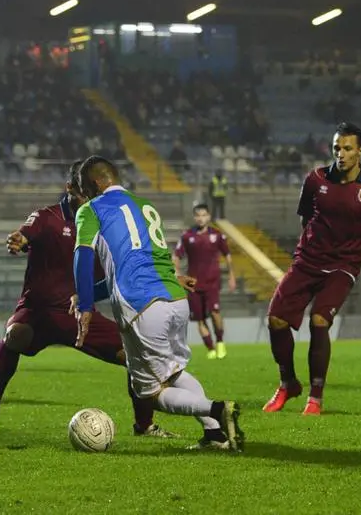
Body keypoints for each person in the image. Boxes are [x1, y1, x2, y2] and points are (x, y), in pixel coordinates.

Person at [0, 162, 177, 439]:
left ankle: (144, 425)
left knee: (134, 357)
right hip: (39, 313)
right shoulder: (47, 217)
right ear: (69, 188)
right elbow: (24, 235)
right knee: (15, 335)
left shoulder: (103, 223)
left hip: (81, 315)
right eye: (83, 193)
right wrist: (19, 240)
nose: (89, 199)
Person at [72, 156, 243, 451]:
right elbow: (145, 261)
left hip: (141, 306)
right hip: (175, 299)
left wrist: (85, 305)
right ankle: (215, 435)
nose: (84, 195)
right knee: (174, 372)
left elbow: (83, 258)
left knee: (149, 393)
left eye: (85, 187)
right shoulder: (144, 206)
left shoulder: (91, 210)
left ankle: (218, 410)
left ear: (98, 183)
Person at [264, 122, 361, 416]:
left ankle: (315, 397)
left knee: (320, 321)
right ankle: (287, 383)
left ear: (360, 151)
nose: (341, 153)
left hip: (341, 267)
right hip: (307, 261)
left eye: (347, 148)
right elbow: (305, 218)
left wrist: (355, 261)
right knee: (276, 320)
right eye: (336, 148)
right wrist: (309, 248)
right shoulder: (315, 179)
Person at [173, 203, 237, 359]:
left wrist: (231, 275)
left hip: (212, 281)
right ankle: (210, 348)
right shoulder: (187, 236)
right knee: (200, 319)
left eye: (204, 215)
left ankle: (220, 342)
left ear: (208, 217)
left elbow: (227, 256)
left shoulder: (217, 235)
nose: (201, 218)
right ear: (195, 217)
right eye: (198, 215)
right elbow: (176, 256)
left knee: (215, 312)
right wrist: (178, 274)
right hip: (192, 283)